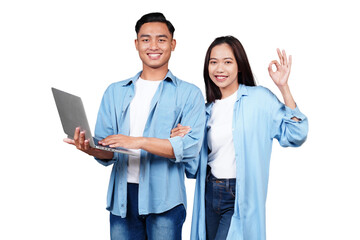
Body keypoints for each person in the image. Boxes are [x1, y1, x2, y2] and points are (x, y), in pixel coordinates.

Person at [63, 12, 206, 240]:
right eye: (146, 39)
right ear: (136, 43)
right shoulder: (115, 92)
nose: (153, 46)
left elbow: (188, 148)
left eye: (161, 39)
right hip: (123, 198)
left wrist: (137, 141)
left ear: (173, 44)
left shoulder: (189, 94)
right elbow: (107, 150)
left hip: (166, 199)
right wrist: (90, 149)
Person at [171, 36, 308, 240]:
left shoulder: (260, 99)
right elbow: (192, 171)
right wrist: (183, 139)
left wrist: (283, 87)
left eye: (227, 62)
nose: (220, 69)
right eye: (213, 62)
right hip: (209, 192)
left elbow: (297, 134)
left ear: (239, 66)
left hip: (239, 195)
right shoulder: (205, 110)